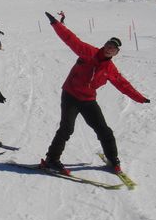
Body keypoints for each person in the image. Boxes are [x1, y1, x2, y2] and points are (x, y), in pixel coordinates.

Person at [40, 12, 150, 175]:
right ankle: (51, 159)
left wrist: (139, 98)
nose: (109, 48)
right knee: (66, 128)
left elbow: (123, 84)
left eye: (113, 48)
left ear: (116, 53)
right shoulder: (88, 52)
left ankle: (113, 159)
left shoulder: (110, 69)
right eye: (108, 45)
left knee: (104, 130)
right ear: (105, 45)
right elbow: (71, 39)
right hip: (70, 94)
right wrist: (56, 24)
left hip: (88, 100)